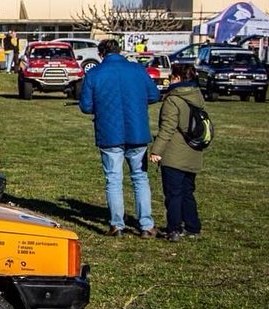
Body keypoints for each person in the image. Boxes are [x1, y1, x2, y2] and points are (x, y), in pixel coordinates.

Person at [79, 38, 161, 237]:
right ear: (120, 51)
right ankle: (146, 225)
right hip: (137, 131)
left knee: (113, 179)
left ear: (101, 55)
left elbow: (86, 106)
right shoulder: (137, 70)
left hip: (109, 133)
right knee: (140, 178)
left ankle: (117, 224)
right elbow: (154, 95)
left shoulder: (94, 74)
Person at [149, 63, 204, 242]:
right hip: (193, 151)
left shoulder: (173, 99)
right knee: (187, 192)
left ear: (178, 78)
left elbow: (167, 128)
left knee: (173, 194)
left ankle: (174, 228)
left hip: (175, 153)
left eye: (172, 76)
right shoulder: (196, 96)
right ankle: (192, 226)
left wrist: (156, 150)